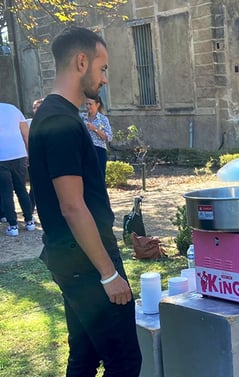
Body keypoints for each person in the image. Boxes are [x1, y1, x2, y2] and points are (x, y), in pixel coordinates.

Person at [28, 26, 141, 376]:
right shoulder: (61, 121)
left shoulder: (51, 115)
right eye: (102, 68)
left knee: (86, 356)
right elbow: (72, 205)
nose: (105, 79)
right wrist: (108, 274)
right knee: (124, 361)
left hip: (70, 257)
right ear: (81, 62)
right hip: (87, 262)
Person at [0, 102, 35, 236]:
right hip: (19, 154)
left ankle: (13, 225)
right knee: (21, 189)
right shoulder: (13, 109)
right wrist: (28, 153)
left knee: (6, 193)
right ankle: (29, 221)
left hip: (2, 157)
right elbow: (25, 134)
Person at [81, 95, 112, 178]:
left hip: (98, 150)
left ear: (97, 105)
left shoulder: (103, 119)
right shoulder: (81, 117)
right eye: (86, 104)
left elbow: (109, 137)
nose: (88, 106)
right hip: (84, 150)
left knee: (99, 176)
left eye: (90, 104)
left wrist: (95, 129)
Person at [26, 97, 44, 213]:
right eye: (34, 108)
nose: (36, 110)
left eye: (38, 107)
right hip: (32, 157)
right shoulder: (27, 123)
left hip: (46, 157)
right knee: (34, 184)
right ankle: (30, 208)